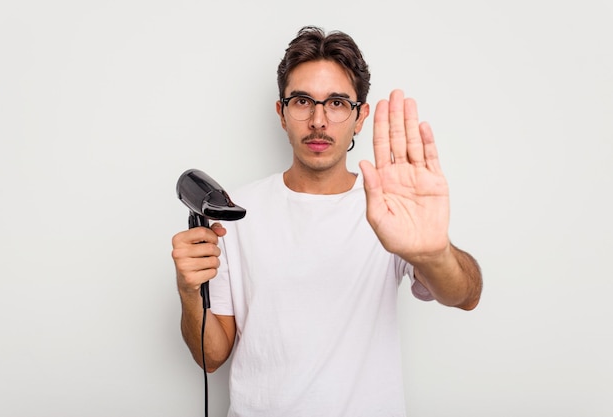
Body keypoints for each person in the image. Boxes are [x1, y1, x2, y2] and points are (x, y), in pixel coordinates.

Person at [171, 25, 482, 417]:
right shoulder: (234, 211)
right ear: (282, 113)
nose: (319, 120)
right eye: (302, 101)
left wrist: (436, 253)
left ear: (359, 116)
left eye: (337, 103)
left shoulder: (388, 209)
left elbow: (466, 295)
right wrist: (187, 290)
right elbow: (212, 356)